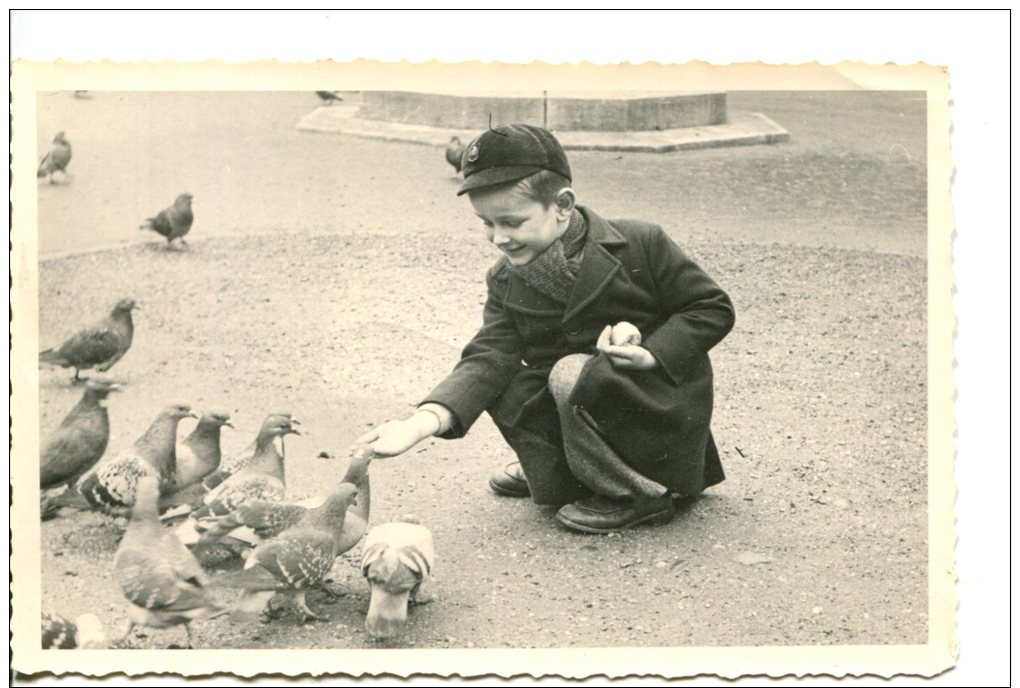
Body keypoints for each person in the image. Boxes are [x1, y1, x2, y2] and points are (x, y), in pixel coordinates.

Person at [354, 123, 735, 533]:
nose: (498, 237)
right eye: (486, 223)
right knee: (509, 381)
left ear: (563, 204)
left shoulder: (640, 241)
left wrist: (652, 353)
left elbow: (710, 307)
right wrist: (419, 424)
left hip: (653, 404)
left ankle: (639, 492)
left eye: (512, 222)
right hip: (584, 402)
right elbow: (489, 356)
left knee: (568, 371)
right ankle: (568, 472)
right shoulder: (505, 277)